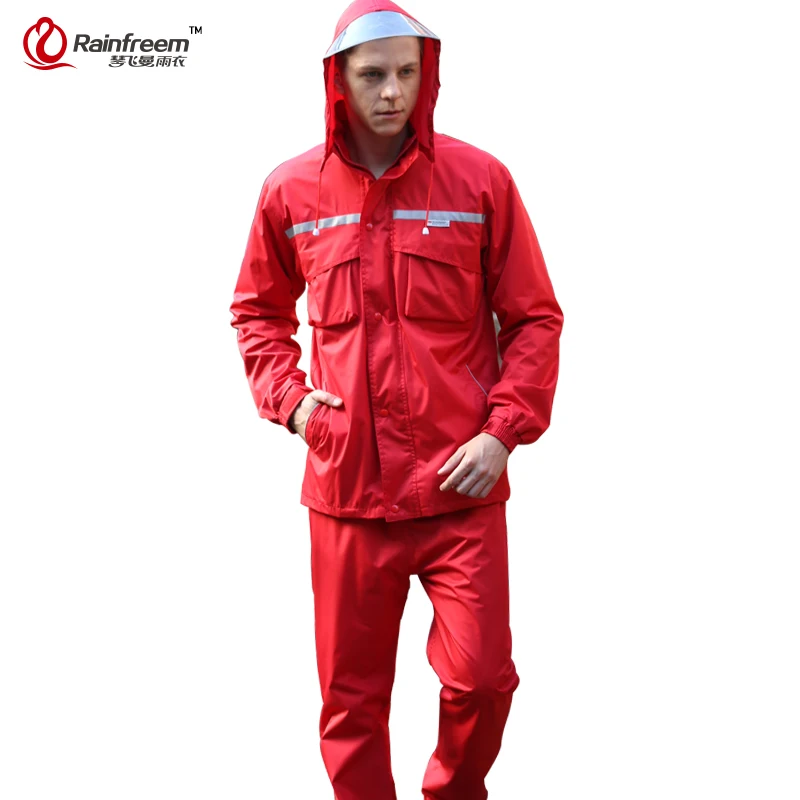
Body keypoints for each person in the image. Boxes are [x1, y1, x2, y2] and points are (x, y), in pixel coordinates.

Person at [229, 1, 564, 797]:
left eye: (408, 73)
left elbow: (534, 318)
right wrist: (293, 404)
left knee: (482, 678)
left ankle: (453, 791)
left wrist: (502, 433)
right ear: (337, 82)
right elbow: (256, 312)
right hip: (347, 487)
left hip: (460, 483)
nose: (392, 92)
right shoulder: (290, 190)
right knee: (350, 700)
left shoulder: (480, 181)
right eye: (373, 74)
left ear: (428, 76)